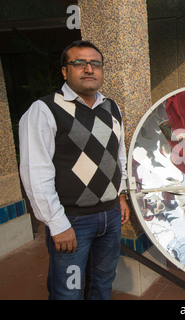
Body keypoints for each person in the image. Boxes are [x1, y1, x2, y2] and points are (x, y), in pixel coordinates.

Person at [19, 40, 130, 300]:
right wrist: (57, 224)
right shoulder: (45, 110)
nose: (89, 69)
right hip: (73, 221)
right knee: (68, 291)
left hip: (111, 217)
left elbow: (119, 155)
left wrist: (121, 196)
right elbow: (35, 173)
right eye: (79, 63)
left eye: (95, 64)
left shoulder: (111, 107)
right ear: (65, 71)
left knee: (102, 284)